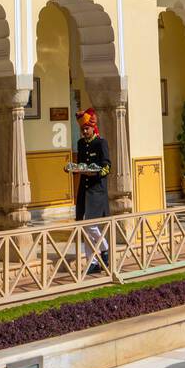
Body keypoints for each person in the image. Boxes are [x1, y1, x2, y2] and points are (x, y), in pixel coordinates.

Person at [66, 108, 111, 275]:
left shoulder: (101, 143)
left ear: (93, 127)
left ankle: (105, 249)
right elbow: (81, 164)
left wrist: (96, 172)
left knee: (90, 225)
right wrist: (76, 169)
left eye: (87, 128)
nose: (84, 131)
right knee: (83, 226)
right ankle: (91, 262)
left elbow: (107, 166)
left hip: (97, 190)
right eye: (82, 129)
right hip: (84, 190)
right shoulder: (80, 144)